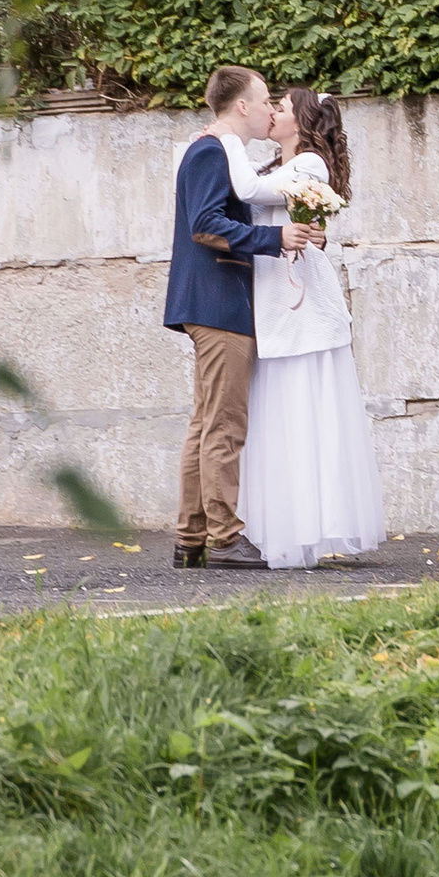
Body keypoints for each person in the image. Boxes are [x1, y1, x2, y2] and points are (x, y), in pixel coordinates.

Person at [231, 86, 388, 572]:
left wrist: (225, 140)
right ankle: (280, 528)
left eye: (279, 106)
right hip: (273, 296)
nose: (271, 112)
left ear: (299, 121)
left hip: (298, 300)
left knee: (301, 408)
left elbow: (251, 194)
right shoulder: (273, 168)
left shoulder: (311, 166)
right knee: (276, 414)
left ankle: (303, 532)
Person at [163, 65, 311, 572]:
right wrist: (275, 240)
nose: (272, 109)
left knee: (206, 421)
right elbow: (205, 225)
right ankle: (225, 537)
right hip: (218, 299)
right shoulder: (209, 151)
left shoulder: (214, 151)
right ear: (241, 106)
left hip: (212, 300)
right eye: (266, 100)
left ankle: (192, 537)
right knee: (225, 425)